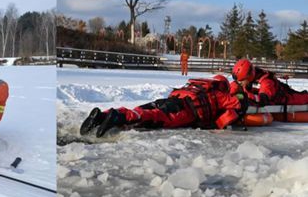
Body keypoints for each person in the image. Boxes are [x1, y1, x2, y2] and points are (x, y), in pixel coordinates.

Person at [80, 75, 248, 137]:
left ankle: (103, 115)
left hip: (170, 99)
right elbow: (239, 103)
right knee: (154, 117)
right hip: (184, 110)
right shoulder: (219, 94)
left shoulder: (199, 85)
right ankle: (119, 116)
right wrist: (239, 93)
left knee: (144, 109)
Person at [231, 58, 308, 106]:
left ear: (249, 76)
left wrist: (245, 96)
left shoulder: (266, 82)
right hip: (277, 93)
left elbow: (263, 100)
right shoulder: (251, 80)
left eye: (241, 81)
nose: (240, 83)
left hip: (288, 98)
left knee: (304, 98)